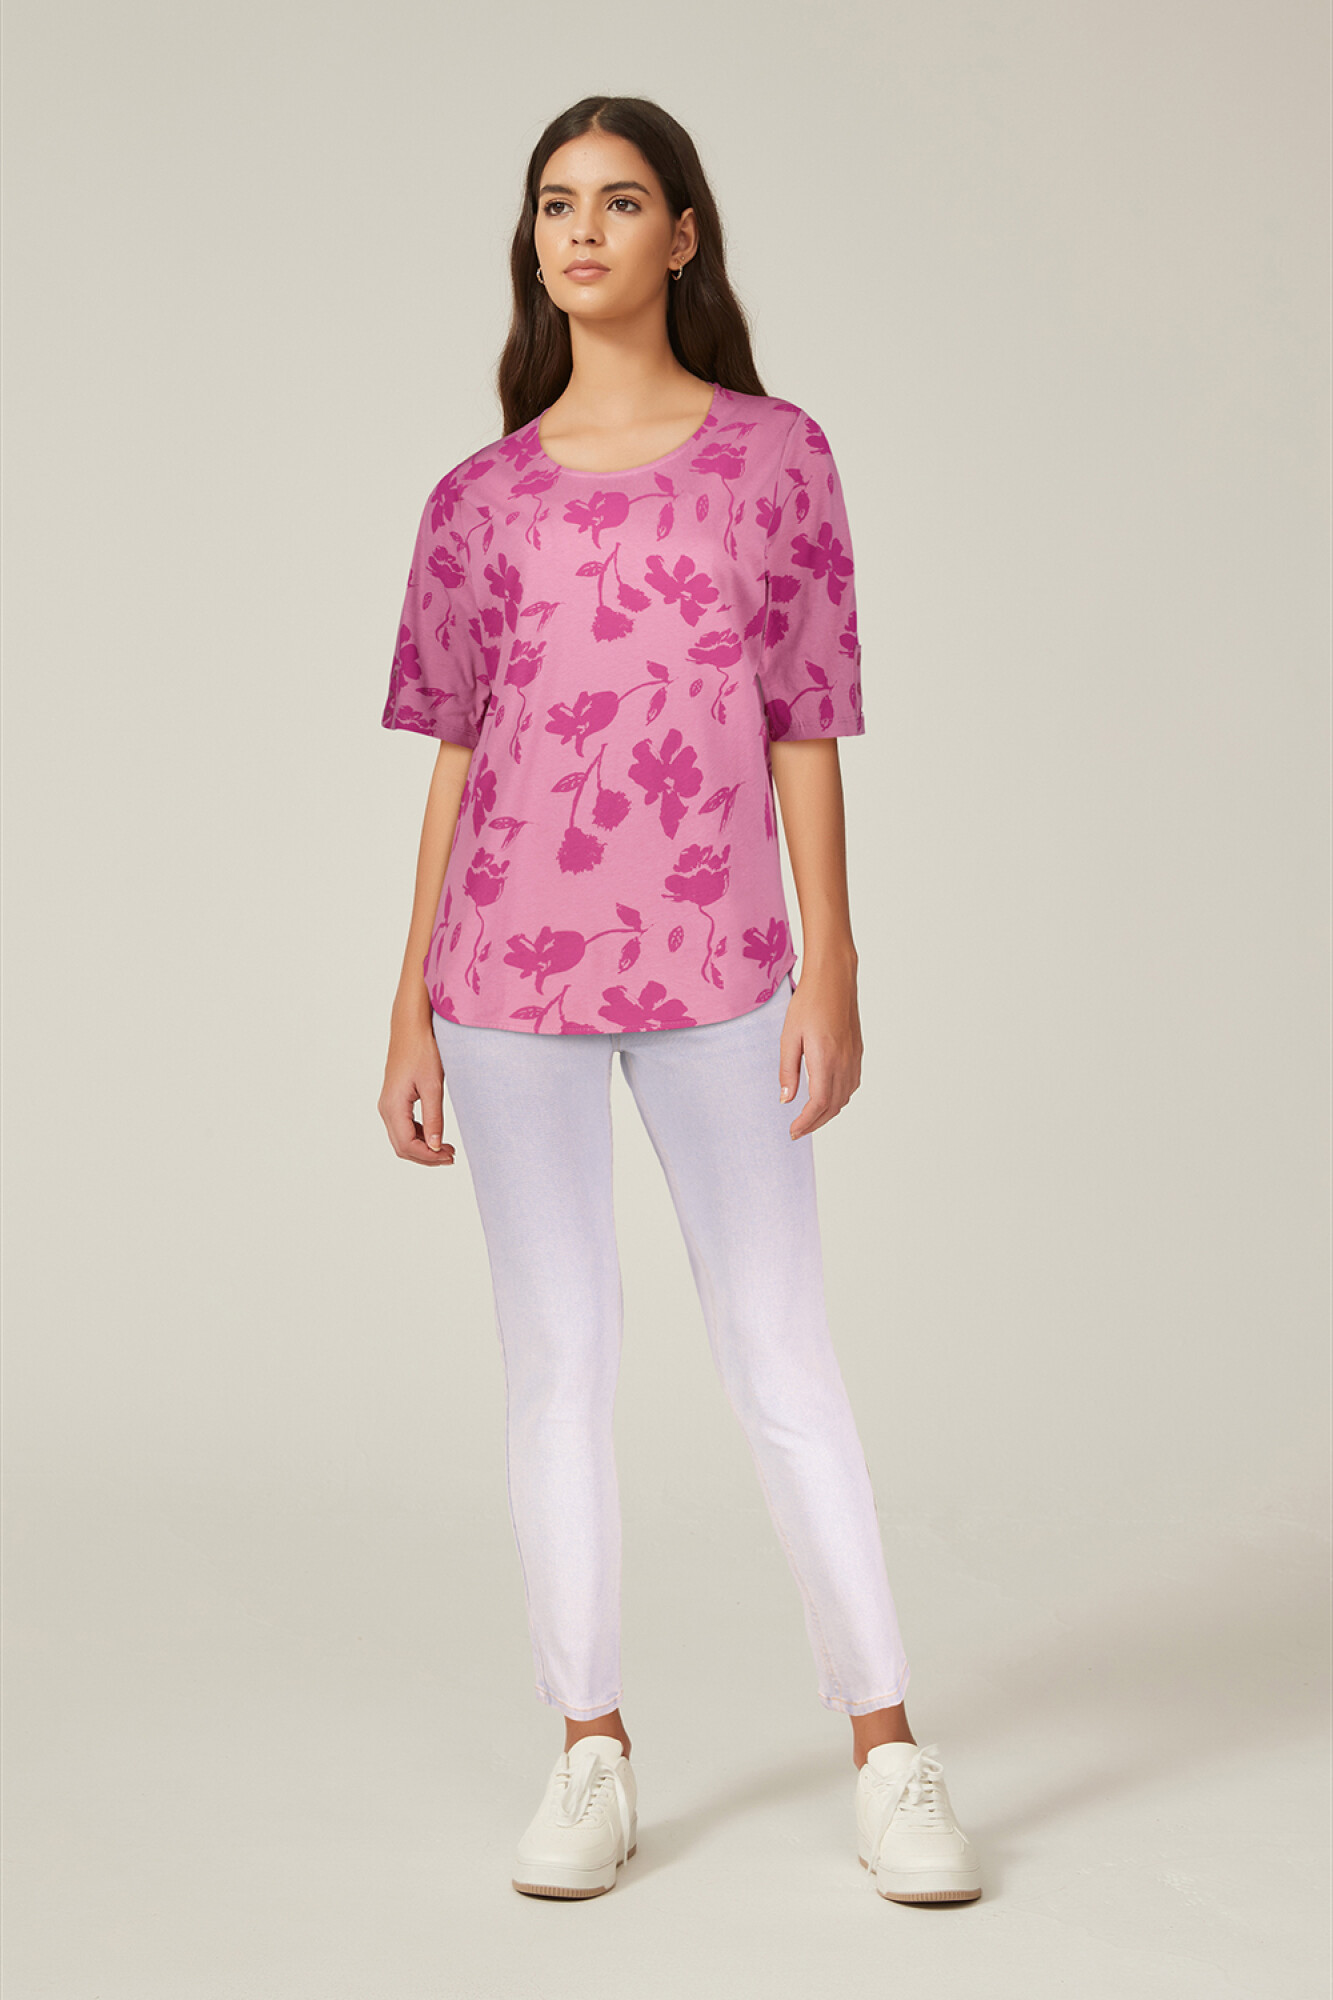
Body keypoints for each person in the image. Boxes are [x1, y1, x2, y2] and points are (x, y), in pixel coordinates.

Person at [377, 95, 982, 1907]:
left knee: (779, 1353)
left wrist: (833, 961)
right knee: (557, 1364)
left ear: (682, 235)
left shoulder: (774, 458)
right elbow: (456, 755)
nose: (582, 230)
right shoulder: (477, 498)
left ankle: (888, 1752)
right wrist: (407, 1008)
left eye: (620, 200)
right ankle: (590, 1749)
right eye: (555, 203)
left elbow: (805, 719)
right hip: (501, 980)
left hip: (719, 971)